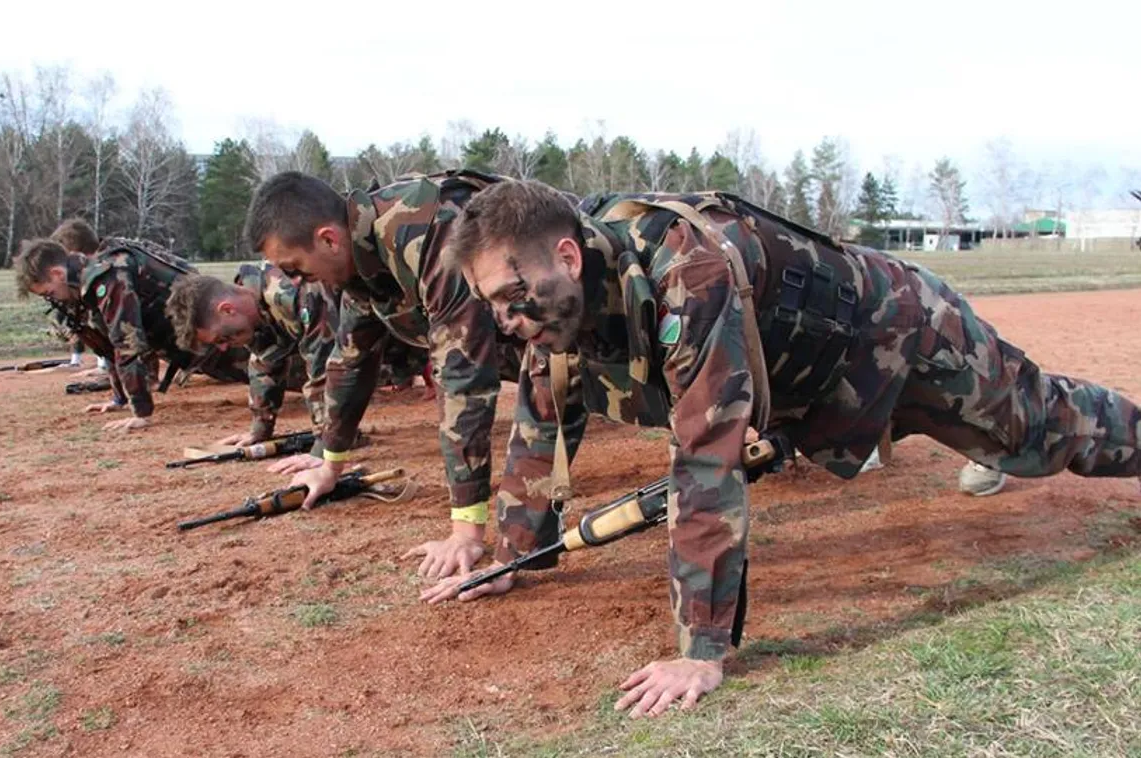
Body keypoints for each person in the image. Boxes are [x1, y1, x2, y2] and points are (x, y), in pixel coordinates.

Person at [422, 180, 1141, 718]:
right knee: (1017, 443)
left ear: (567, 257)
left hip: (901, 335)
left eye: (509, 298)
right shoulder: (558, 311)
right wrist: (513, 555)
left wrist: (698, 650)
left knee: (1038, 437)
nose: (505, 321)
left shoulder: (685, 275)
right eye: (489, 305)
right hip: (824, 386)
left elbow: (706, 457)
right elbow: (541, 422)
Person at [247, 170, 525, 579]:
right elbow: (351, 360)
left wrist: (465, 532)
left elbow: (463, 373)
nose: (294, 282)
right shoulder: (358, 260)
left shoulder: (427, 230)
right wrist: (329, 460)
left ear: (328, 239)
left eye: (296, 268)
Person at [14, 220, 250, 432]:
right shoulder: (92, 277)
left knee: (277, 371)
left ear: (57, 273)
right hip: (197, 346)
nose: (56, 299)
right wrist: (119, 399)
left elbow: (126, 341)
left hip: (221, 338)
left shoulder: (107, 275)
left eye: (51, 292)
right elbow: (110, 344)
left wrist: (141, 412)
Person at [164, 261, 337, 454]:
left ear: (228, 310)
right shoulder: (252, 315)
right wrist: (260, 429)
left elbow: (324, 367)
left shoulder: (288, 294)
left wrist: (325, 443)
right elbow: (264, 361)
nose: (222, 347)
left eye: (222, 338)